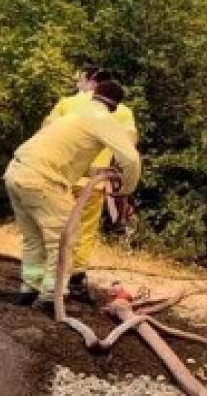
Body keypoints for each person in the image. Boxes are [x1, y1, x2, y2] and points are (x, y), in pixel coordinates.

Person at [5, 79, 141, 308]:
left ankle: (29, 288)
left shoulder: (76, 113)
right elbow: (130, 159)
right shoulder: (103, 119)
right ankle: (50, 296)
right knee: (64, 238)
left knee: (34, 237)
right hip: (43, 179)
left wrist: (95, 171)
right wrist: (126, 189)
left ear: (94, 94)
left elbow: (67, 155)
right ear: (115, 106)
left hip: (16, 171)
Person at [43, 63, 138, 298]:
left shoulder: (66, 104)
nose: (77, 84)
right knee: (85, 230)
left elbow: (45, 132)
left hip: (61, 175)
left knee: (56, 225)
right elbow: (129, 145)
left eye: (79, 80)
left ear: (89, 81)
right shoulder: (122, 111)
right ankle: (75, 278)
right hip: (94, 180)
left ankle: (49, 277)